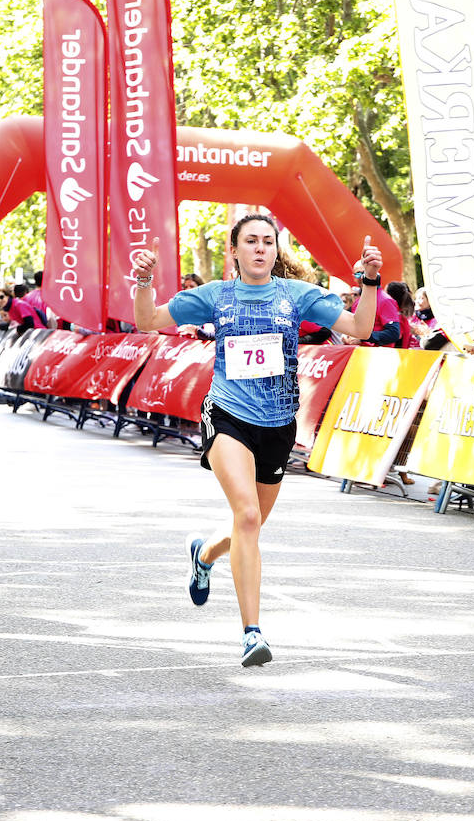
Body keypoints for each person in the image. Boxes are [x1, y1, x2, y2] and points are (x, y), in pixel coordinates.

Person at [131, 214, 383, 667]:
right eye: (251, 241)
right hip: (228, 412)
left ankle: (203, 554)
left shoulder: (296, 295)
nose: (260, 248)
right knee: (246, 513)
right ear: (235, 249)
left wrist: (369, 281)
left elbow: (360, 329)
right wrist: (145, 281)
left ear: (276, 250)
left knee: (250, 524)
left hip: (279, 423)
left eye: (268, 241)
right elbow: (148, 319)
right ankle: (252, 633)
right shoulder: (216, 295)